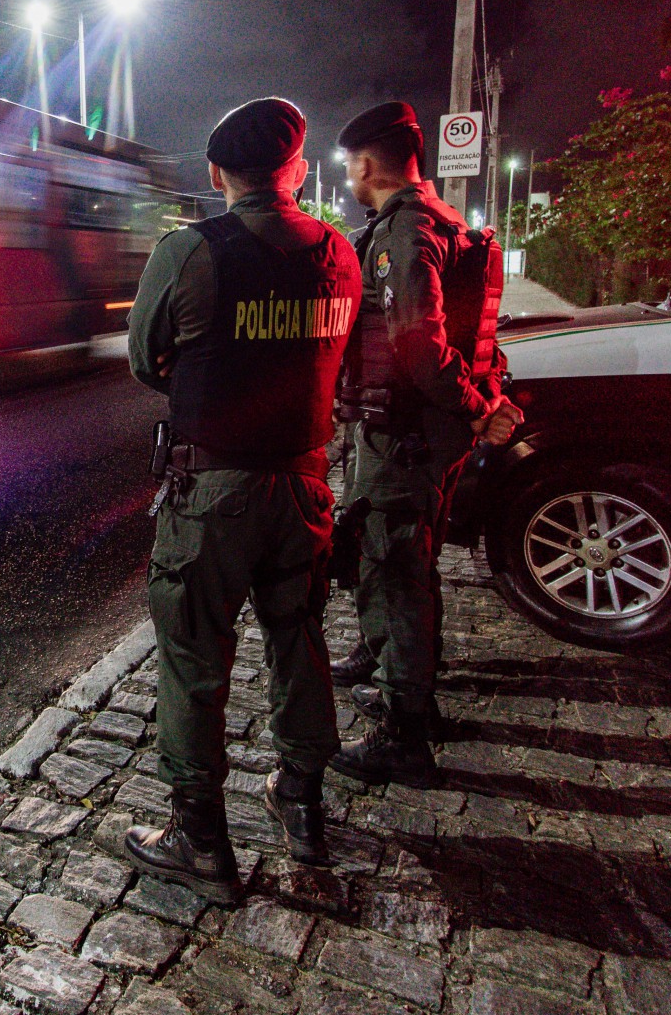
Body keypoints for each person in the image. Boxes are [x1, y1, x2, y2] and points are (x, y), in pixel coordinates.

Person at [123, 97, 362, 901]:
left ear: (218, 174)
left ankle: (200, 841)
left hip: (213, 488)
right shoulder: (341, 250)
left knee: (194, 654)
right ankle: (303, 805)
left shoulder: (189, 250)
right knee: (299, 640)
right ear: (295, 172)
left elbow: (146, 362)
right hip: (304, 485)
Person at [328, 101, 522, 787]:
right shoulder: (439, 223)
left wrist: (475, 410)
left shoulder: (403, 234)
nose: (349, 176)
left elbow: (419, 345)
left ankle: (404, 737)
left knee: (397, 572)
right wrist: (476, 411)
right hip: (423, 437)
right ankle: (396, 683)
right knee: (403, 566)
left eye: (350, 165)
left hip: (407, 436)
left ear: (366, 165)